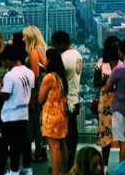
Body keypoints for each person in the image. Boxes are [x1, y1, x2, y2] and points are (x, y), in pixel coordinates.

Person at [0, 43, 34, 175]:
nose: (4, 63)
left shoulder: (10, 75)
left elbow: (6, 95)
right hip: (24, 114)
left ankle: (14, 171)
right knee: (24, 144)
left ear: (10, 59)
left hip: (10, 116)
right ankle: (26, 168)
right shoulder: (29, 73)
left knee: (13, 146)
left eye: (4, 60)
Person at [52, 30, 83, 171]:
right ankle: (70, 164)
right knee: (73, 135)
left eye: (56, 45)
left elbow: (56, 77)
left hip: (66, 101)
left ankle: (66, 166)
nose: (55, 49)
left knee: (64, 137)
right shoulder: (77, 54)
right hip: (75, 99)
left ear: (61, 43)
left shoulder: (63, 58)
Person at [39, 48, 68, 175]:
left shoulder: (49, 77)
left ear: (49, 60)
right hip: (61, 114)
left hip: (51, 115)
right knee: (62, 145)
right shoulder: (60, 76)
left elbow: (40, 99)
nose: (43, 61)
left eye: (45, 58)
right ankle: (64, 171)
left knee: (54, 148)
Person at [22, 25, 49, 163]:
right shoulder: (43, 50)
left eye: (24, 36)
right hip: (43, 89)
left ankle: (38, 151)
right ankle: (41, 150)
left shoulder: (33, 52)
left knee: (34, 120)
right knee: (40, 121)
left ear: (30, 37)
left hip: (36, 91)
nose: (22, 38)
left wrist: (31, 96)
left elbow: (34, 76)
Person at [95, 35, 120, 166]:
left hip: (120, 102)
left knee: (121, 133)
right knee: (106, 135)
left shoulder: (122, 64)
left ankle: (124, 163)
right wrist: (105, 81)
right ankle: (104, 164)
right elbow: (95, 82)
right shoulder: (100, 63)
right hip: (105, 103)